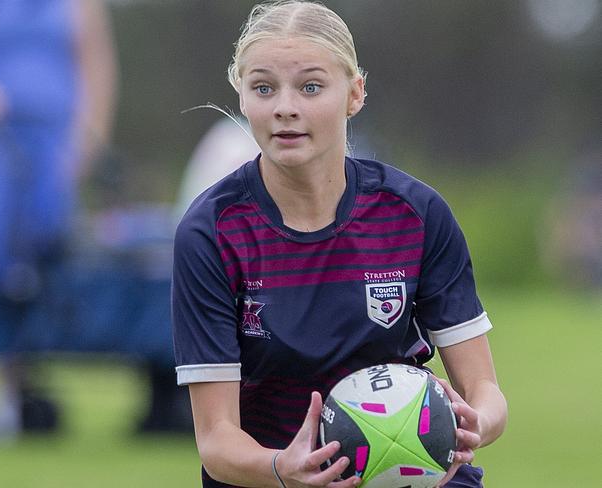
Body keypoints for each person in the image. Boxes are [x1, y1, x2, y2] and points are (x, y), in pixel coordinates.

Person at [171, 1, 507, 487]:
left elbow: (485, 391)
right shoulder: (211, 232)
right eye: (263, 88)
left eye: (311, 86)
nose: (285, 107)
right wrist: (281, 469)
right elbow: (217, 440)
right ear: (242, 99)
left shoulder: (415, 214)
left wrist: (478, 422)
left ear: (354, 93)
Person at [0, 0, 117, 436]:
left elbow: (96, 67)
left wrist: (88, 141)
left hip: (50, 142)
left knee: (29, 270)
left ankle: (11, 394)